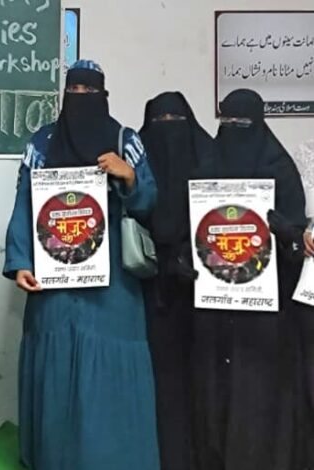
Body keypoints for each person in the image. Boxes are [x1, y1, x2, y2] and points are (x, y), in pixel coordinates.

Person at [3, 60, 159, 470]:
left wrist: (128, 177)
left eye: (90, 92)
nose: (81, 99)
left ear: (104, 96)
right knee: (56, 362)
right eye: (74, 91)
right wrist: (20, 261)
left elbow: (149, 203)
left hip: (113, 285)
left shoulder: (126, 140)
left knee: (108, 366)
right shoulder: (41, 143)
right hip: (53, 279)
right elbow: (24, 203)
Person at [192, 88, 309, 470]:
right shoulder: (206, 167)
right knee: (216, 400)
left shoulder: (280, 169)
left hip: (265, 316)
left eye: (242, 123)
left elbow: (299, 246)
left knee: (259, 400)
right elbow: (191, 230)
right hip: (214, 311)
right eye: (227, 121)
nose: (233, 129)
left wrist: (287, 233)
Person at [138, 91, 216, 470]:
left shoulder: (213, 161)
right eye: (160, 123)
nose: (168, 131)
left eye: (175, 121)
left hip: (204, 290)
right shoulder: (135, 164)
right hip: (148, 288)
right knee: (157, 378)